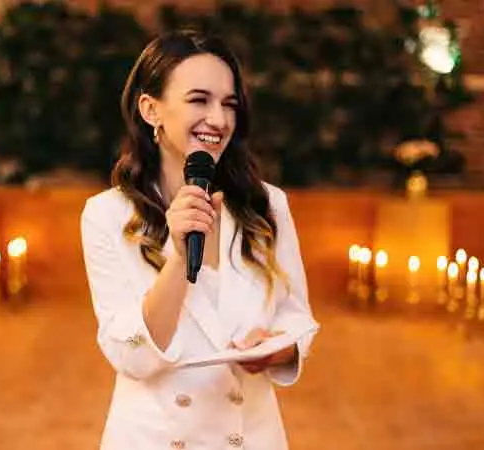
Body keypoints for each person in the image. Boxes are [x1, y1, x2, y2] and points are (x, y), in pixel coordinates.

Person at [80, 29, 319, 450]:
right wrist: (177, 254)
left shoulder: (267, 205)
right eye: (199, 100)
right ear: (151, 109)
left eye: (229, 104)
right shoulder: (107, 215)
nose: (219, 119)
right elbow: (131, 355)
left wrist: (276, 349)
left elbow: (296, 317)